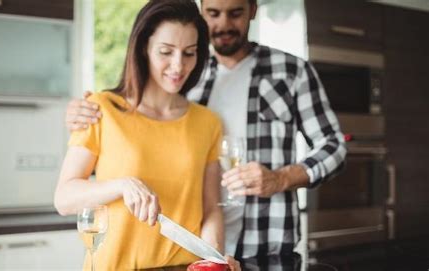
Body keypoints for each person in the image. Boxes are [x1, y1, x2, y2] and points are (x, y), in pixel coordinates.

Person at [65, 0, 347, 262]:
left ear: (253, 10)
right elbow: (130, 140)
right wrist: (87, 115)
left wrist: (280, 178)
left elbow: (334, 146)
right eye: (213, 13)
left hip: (265, 244)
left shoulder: (290, 71)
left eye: (235, 13)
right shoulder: (186, 74)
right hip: (194, 250)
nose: (223, 24)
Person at [55, 0, 241, 270]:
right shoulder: (102, 109)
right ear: (144, 48)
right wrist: (121, 185)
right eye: (166, 51)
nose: (178, 65)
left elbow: (211, 208)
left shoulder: (207, 122)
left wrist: (214, 260)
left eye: (189, 53)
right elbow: (64, 198)